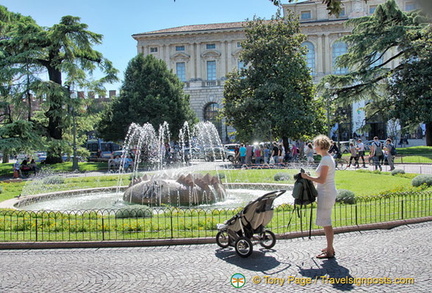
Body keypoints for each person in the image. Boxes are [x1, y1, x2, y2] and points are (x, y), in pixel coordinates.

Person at [301, 135, 337, 259]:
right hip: (326, 191)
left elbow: (322, 180)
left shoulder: (326, 160)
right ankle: (329, 247)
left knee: (326, 222)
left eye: (315, 145)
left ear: (321, 146)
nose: (314, 147)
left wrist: (307, 177)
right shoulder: (327, 158)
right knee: (326, 221)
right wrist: (311, 180)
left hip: (326, 193)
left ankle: (330, 250)